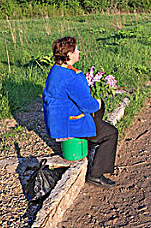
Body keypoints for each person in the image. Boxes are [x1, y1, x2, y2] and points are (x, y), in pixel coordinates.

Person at [42, 36, 118, 188]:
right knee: (110, 132)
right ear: (69, 55)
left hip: (57, 120)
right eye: (76, 49)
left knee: (98, 117)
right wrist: (98, 102)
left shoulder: (56, 70)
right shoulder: (72, 77)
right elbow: (88, 106)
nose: (78, 52)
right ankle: (95, 175)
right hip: (69, 124)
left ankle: (93, 141)